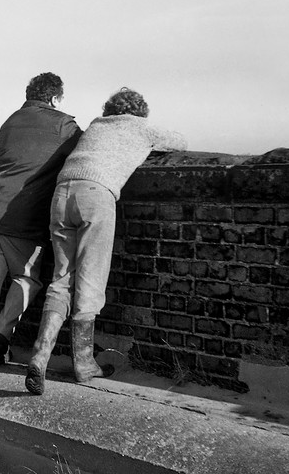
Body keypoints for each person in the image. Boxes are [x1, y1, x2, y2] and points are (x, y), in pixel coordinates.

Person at [25, 88, 187, 394]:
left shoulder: (96, 125)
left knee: (61, 278)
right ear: (139, 110)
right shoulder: (140, 127)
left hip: (61, 194)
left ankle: (40, 355)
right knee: (91, 278)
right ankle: (84, 363)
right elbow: (180, 142)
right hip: (95, 195)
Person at [0, 73, 82, 371]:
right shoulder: (64, 124)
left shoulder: (10, 121)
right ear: (56, 98)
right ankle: (0, 338)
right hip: (22, 216)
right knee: (27, 279)